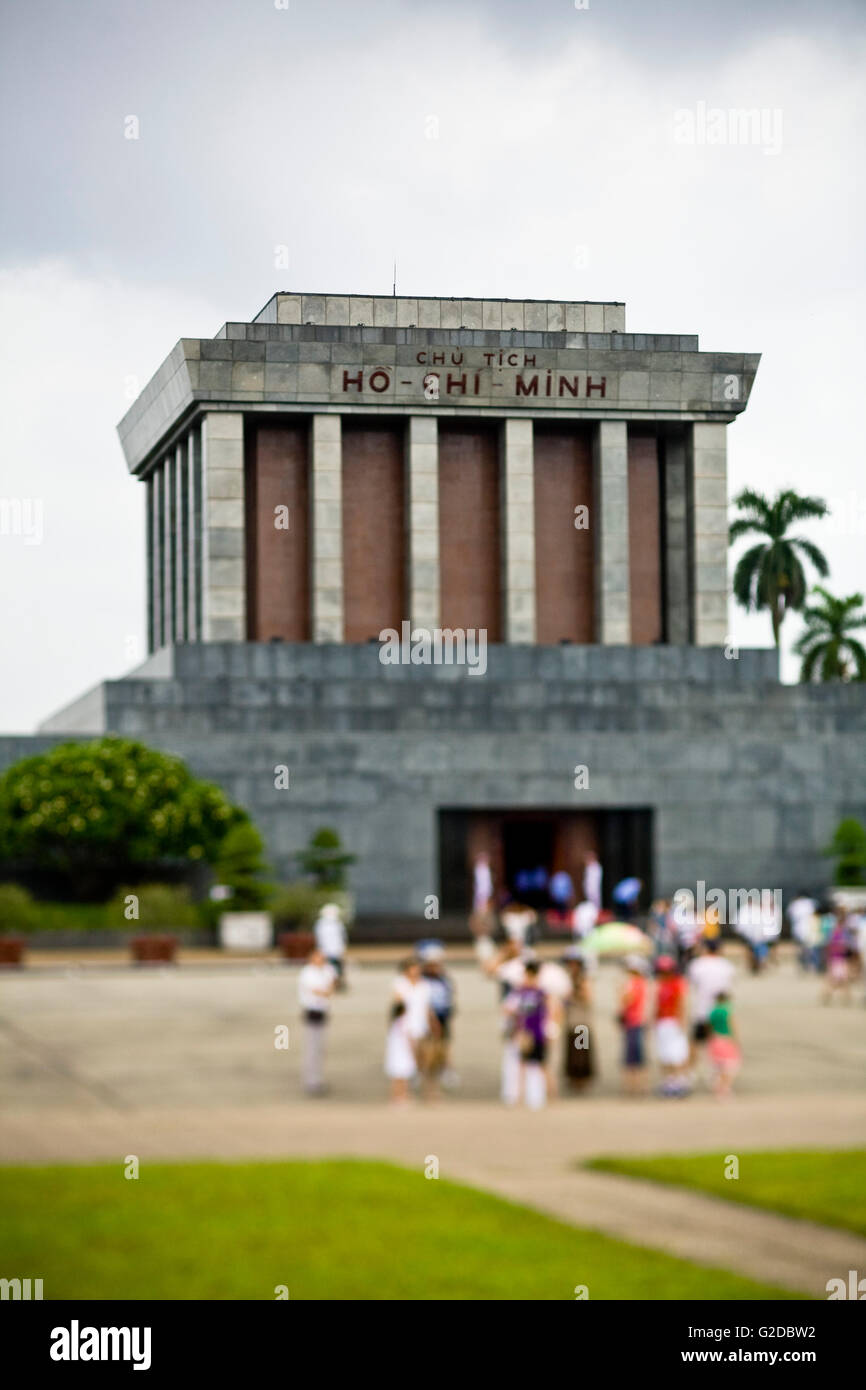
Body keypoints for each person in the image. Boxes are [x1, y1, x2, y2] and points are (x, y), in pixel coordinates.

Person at [503, 958, 548, 1109]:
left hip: (538, 1033)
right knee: (522, 1065)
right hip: (524, 1033)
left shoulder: (541, 993)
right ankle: (519, 1097)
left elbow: (552, 1010)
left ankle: (543, 1097)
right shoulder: (520, 992)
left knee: (540, 1066)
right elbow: (508, 1009)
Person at [392, 958, 440, 1095]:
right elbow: (398, 1006)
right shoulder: (400, 983)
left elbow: (427, 1008)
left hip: (421, 1027)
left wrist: (433, 1023)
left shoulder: (424, 985)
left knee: (425, 1060)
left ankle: (428, 1092)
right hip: (405, 1028)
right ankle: (402, 1093)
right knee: (404, 1061)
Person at [687, 938, 735, 1074]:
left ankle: (691, 1073)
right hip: (720, 1011)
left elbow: (693, 984)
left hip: (702, 1010)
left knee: (695, 1043)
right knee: (718, 1042)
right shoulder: (726, 965)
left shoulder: (697, 965)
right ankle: (717, 1072)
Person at [297, 947, 337, 1096]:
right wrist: (327, 992)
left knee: (320, 1048)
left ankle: (318, 1079)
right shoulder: (307, 973)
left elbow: (333, 981)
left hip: (323, 1011)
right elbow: (317, 990)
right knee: (312, 1048)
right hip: (312, 1012)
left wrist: (329, 990)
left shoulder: (327, 969)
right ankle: (311, 1081)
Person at [420, 942, 458, 1090]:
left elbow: (450, 997)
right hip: (427, 1017)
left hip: (443, 1016)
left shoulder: (444, 980)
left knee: (444, 1045)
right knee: (426, 1046)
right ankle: (422, 1072)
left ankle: (446, 1069)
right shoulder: (423, 980)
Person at [653, 955, 690, 1096]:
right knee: (665, 1054)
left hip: (674, 1021)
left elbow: (682, 1004)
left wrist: (682, 1022)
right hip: (662, 1021)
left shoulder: (678, 983)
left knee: (677, 1053)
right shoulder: (660, 985)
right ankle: (669, 1081)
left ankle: (680, 1081)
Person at [562, 953, 594, 1091]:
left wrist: (576, 989)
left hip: (582, 1023)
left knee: (581, 1053)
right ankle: (573, 1079)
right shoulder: (567, 979)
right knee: (572, 1053)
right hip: (571, 1022)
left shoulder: (584, 980)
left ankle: (582, 1080)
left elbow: (588, 998)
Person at [618, 955, 649, 1095]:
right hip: (636, 1021)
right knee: (637, 1056)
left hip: (634, 1022)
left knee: (632, 1057)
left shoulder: (633, 983)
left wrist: (620, 993)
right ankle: (636, 1087)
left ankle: (634, 1087)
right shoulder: (641, 982)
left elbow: (628, 1000)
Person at [706, 991, 742, 1097]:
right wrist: (736, 1041)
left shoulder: (713, 1012)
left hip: (715, 1039)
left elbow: (709, 1028)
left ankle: (719, 1084)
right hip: (726, 1039)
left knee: (719, 1065)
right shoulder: (727, 1011)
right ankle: (724, 1087)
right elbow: (732, 1027)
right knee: (731, 1066)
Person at [384, 999, 416, 1103]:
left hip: (395, 1053)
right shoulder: (405, 1021)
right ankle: (403, 1097)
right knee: (404, 1077)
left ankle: (395, 1097)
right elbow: (409, 1037)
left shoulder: (393, 1023)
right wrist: (413, 1049)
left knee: (396, 1077)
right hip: (404, 1052)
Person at [823, 910, 855, 1005]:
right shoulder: (838, 933)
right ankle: (828, 995)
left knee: (842, 980)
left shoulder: (840, 933)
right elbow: (831, 947)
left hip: (839, 959)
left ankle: (845, 998)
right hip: (837, 959)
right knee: (838, 980)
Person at [313, 902, 347, 988]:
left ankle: (336, 984)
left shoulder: (335, 924)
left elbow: (341, 938)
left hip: (333, 951)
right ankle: (331, 984)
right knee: (329, 969)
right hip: (330, 951)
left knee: (336, 969)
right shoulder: (322, 924)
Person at [788, 892, 818, 970]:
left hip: (798, 929)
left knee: (800, 948)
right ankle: (810, 963)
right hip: (809, 928)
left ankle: (803, 963)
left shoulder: (795, 904)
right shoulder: (812, 902)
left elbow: (789, 915)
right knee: (809, 947)